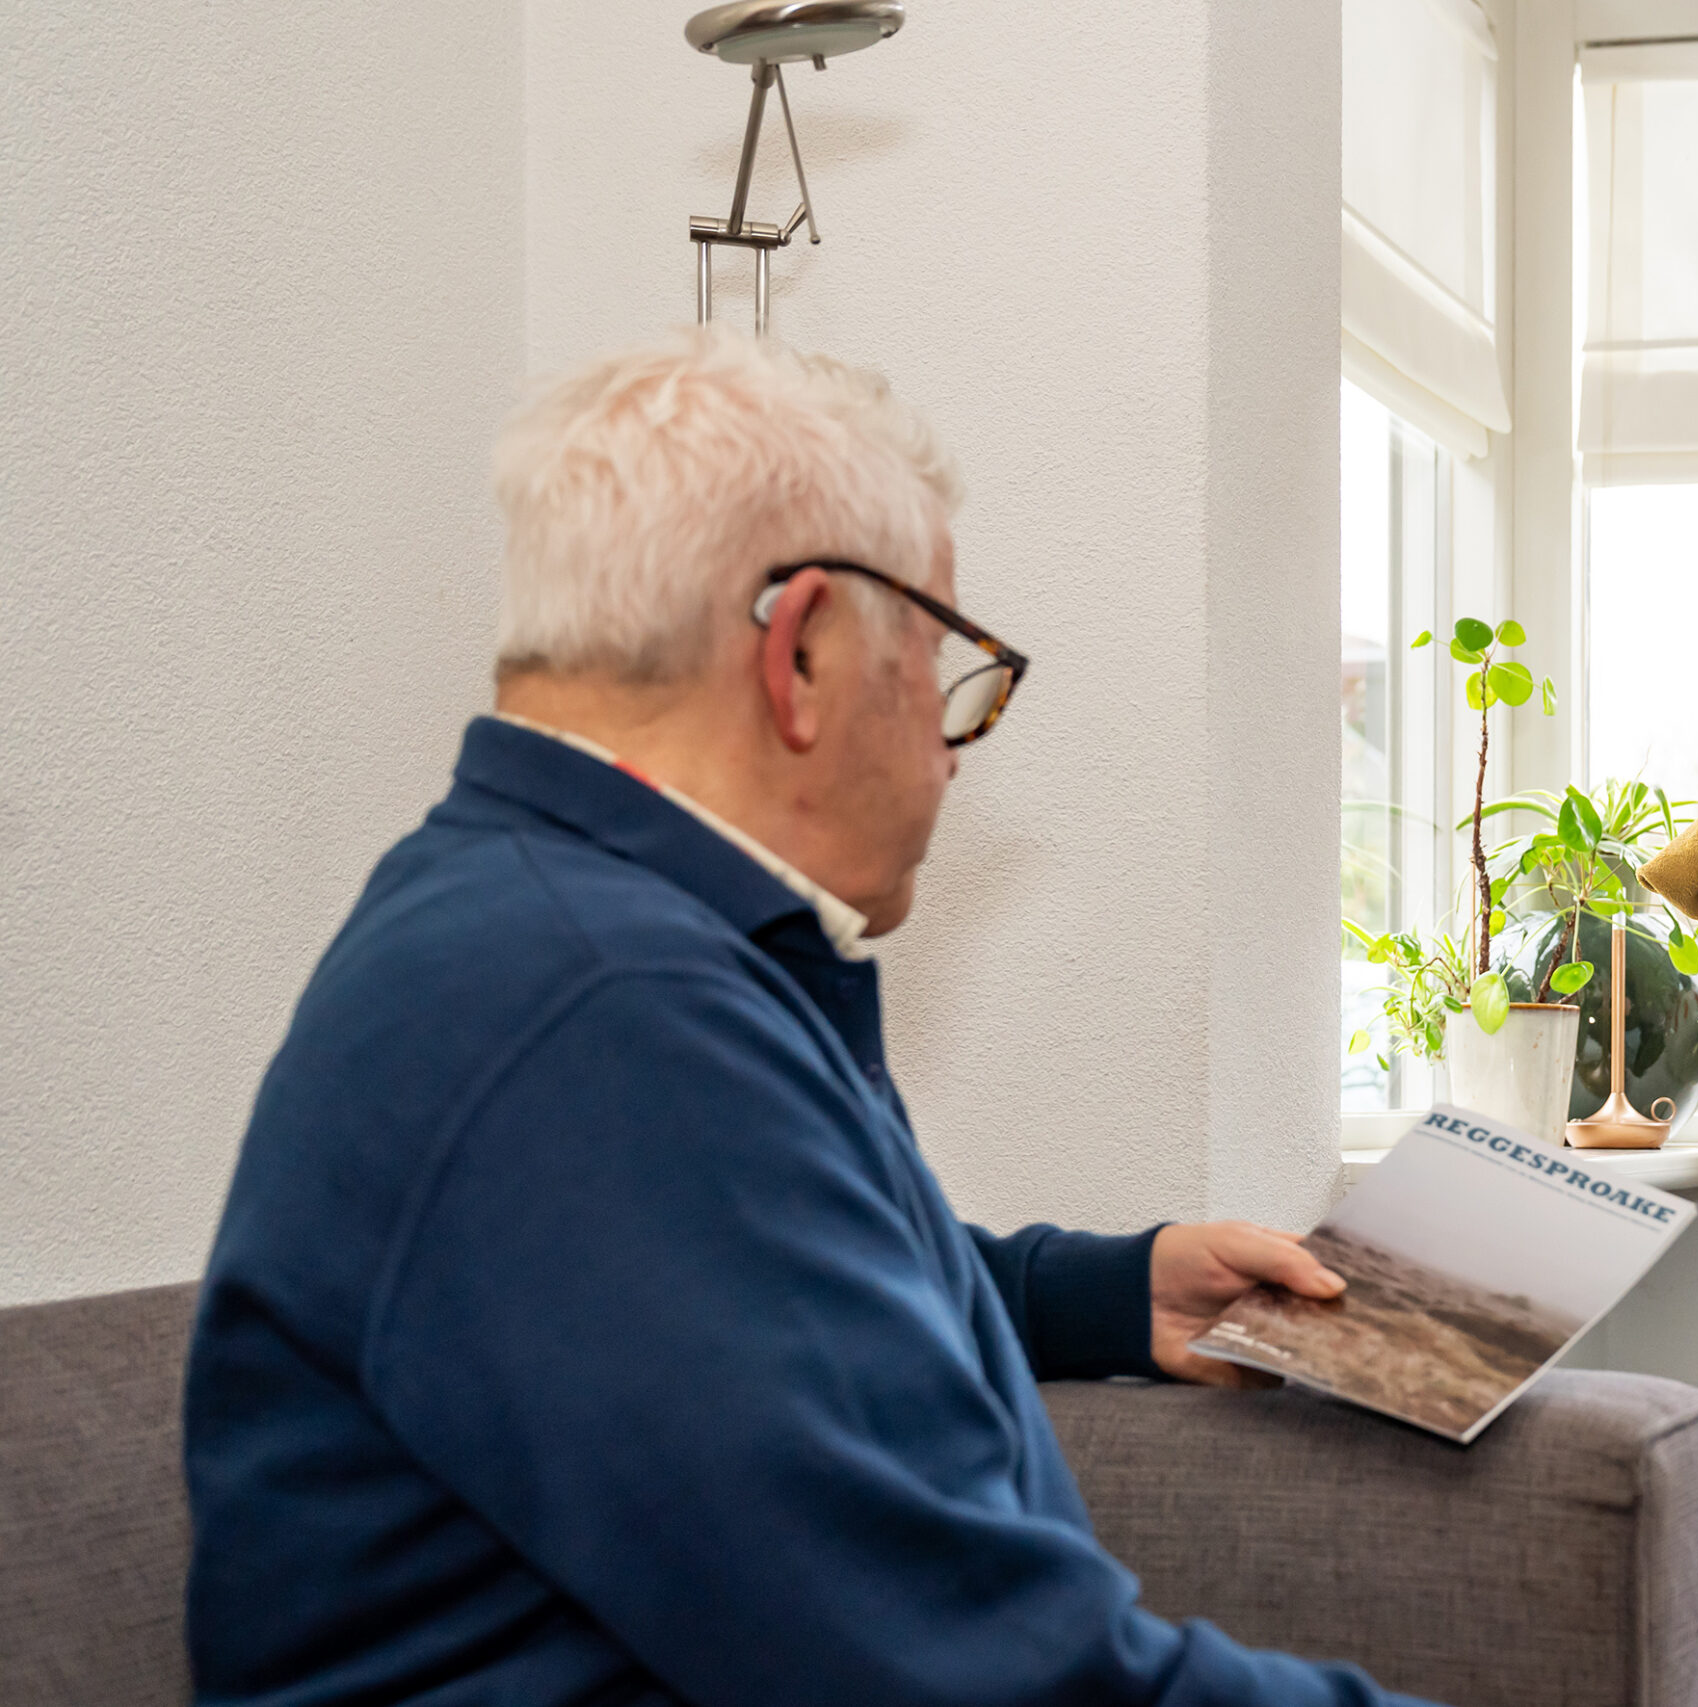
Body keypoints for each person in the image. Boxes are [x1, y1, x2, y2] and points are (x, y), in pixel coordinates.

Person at [183, 327, 1443, 1707]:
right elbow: (984, 1683)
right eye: (951, 668)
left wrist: (1094, 1293)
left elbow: (745, 1307)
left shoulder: (546, 938)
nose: (953, 759)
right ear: (801, 655)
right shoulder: (603, 1010)